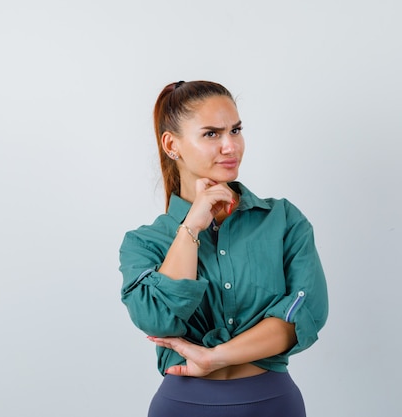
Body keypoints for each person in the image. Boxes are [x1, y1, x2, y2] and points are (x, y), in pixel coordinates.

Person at [118, 80, 328, 417]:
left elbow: (304, 314)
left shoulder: (283, 220)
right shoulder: (144, 242)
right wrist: (192, 226)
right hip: (183, 407)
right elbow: (158, 320)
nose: (230, 146)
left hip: (272, 405)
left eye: (236, 130)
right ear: (172, 145)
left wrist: (213, 357)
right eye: (212, 134)